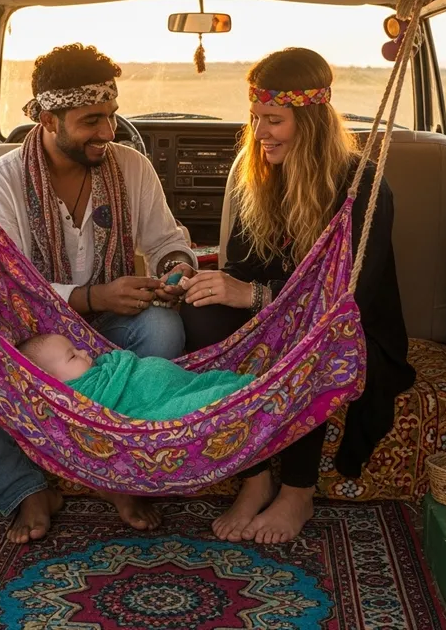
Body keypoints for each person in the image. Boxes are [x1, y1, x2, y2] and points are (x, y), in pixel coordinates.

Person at [0, 43, 196, 543]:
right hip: (26, 333)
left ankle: (116, 471)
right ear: (46, 118)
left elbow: (168, 241)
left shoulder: (132, 168)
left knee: (163, 325)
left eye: (112, 116)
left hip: (107, 330)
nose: (107, 132)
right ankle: (23, 486)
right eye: (91, 120)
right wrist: (94, 296)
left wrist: (175, 271)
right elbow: (1, 286)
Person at [179, 47, 416, 545]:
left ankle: (298, 490)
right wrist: (207, 283)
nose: (260, 133)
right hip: (276, 318)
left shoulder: (363, 186)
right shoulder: (258, 174)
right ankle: (256, 475)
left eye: (273, 120)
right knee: (200, 315)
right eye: (255, 118)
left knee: (303, 336)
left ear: (309, 122)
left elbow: (345, 298)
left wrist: (257, 296)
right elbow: (240, 268)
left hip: (349, 330)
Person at [19, 333, 254, 420]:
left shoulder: (97, 369)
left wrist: (119, 363)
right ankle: (245, 390)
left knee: (205, 381)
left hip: (172, 380)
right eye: (72, 357)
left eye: (77, 348)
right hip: (157, 401)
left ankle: (239, 385)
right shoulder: (78, 400)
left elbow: (119, 361)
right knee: (201, 402)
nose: (83, 352)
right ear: (51, 383)